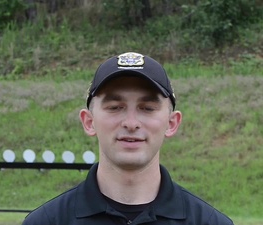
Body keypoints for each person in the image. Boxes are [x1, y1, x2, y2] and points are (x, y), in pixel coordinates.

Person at [22, 52, 234, 225]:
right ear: (89, 121)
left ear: (171, 123)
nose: (131, 123)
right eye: (115, 108)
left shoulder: (209, 222)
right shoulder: (47, 221)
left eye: (147, 108)